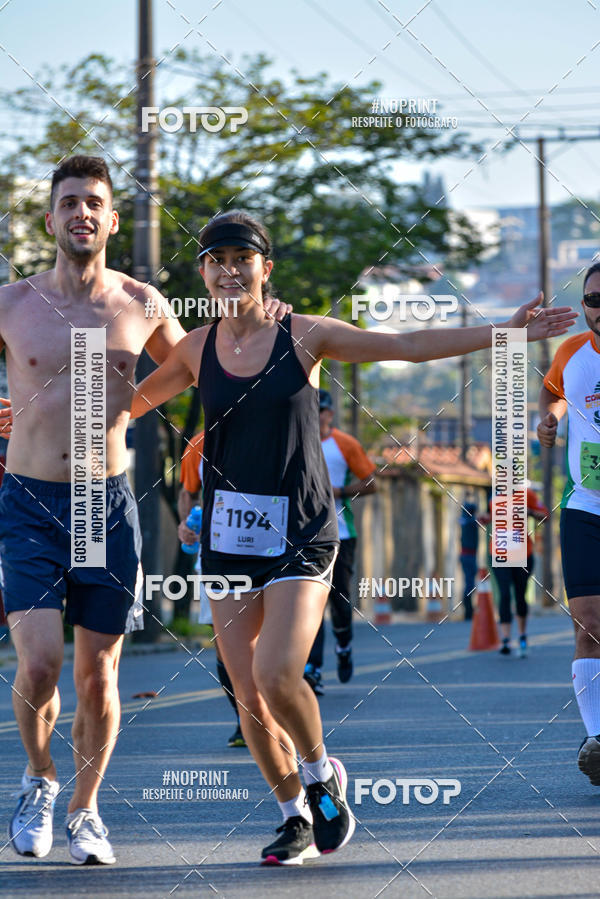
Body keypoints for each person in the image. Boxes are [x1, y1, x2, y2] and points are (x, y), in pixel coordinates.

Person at [130, 208, 576, 865]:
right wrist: (31, 412)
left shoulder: (305, 336)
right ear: (203, 272)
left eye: (242, 258)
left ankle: (319, 778)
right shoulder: (195, 348)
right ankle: (293, 815)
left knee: (277, 671)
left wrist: (505, 333)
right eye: (216, 260)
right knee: (246, 691)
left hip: (303, 532)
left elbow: (407, 346)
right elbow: (123, 405)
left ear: (265, 268)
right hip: (228, 535)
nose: (229, 270)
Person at [0, 155, 288, 865]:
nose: (81, 213)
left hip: (104, 506)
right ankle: (39, 779)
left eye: (94, 202)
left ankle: (85, 809)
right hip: (29, 502)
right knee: (38, 664)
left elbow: (209, 364)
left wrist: (259, 314)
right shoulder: (12, 301)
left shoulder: (141, 303)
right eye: (69, 202)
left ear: (112, 219)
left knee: (99, 675)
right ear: (50, 219)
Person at [537, 260, 600, 784]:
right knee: (588, 623)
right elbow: (553, 391)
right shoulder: (571, 352)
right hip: (585, 506)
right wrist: (551, 418)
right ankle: (598, 739)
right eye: (594, 300)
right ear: (584, 306)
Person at [304, 389, 376, 694]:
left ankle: (344, 645)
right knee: (308, 603)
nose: (315, 416)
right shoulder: (292, 441)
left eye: (319, 410)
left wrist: (340, 493)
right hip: (301, 536)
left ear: (329, 414)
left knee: (340, 599)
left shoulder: (344, 444)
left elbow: (371, 483)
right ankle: (312, 669)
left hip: (341, 533)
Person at [178, 430, 246, 747]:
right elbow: (187, 494)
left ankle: (269, 712)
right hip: (215, 553)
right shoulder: (198, 443)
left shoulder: (269, 429)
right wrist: (185, 525)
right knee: (223, 640)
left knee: (261, 639)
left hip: (264, 551)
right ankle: (244, 719)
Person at [481, 488, 549, 656]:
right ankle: (505, 640)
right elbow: (490, 516)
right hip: (499, 554)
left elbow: (545, 515)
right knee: (504, 594)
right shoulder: (494, 497)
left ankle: (522, 635)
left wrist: (531, 512)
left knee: (520, 595)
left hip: (523, 554)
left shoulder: (528, 495)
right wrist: (484, 519)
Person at [458, 500, 478, 621]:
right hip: (469, 556)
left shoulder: (464, 520)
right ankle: (468, 610)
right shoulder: (471, 521)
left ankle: (468, 609)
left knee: (468, 582)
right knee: (470, 584)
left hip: (466, 555)